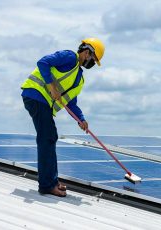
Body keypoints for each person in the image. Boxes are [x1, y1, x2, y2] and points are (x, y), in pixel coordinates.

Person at [21, 38, 105, 196]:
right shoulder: (69, 57)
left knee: (50, 137)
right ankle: (46, 185)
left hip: (43, 102)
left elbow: (71, 103)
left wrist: (81, 119)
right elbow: (43, 62)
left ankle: (52, 181)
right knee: (47, 137)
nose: (92, 63)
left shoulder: (79, 78)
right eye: (93, 59)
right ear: (87, 52)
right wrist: (51, 86)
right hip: (35, 95)